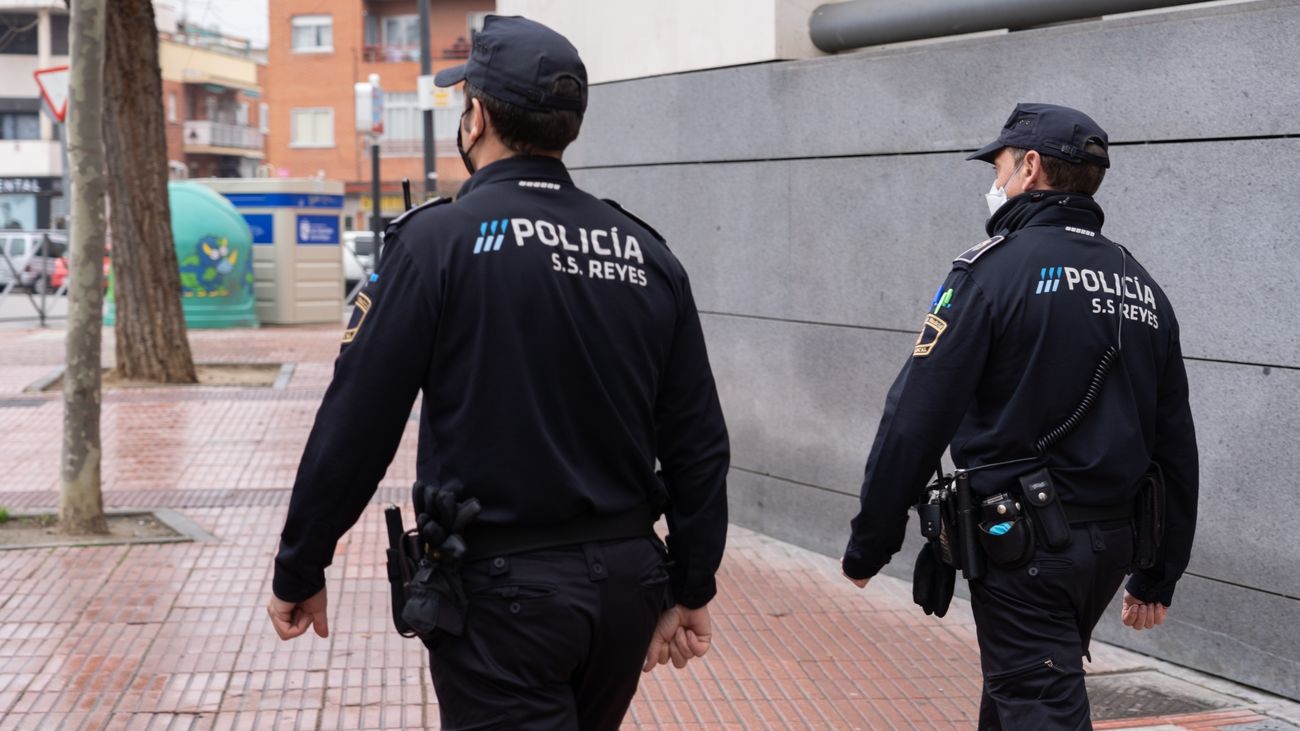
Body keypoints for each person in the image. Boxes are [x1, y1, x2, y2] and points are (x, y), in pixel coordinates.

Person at [265, 15, 730, 731]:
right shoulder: (646, 253)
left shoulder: (436, 242)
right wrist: (691, 581)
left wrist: (301, 563)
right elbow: (698, 441)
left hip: (502, 598)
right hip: (628, 587)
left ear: (476, 117)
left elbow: (357, 420)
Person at [840, 103, 1198, 729]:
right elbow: (1175, 443)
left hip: (1025, 547)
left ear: (1030, 168)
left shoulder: (989, 272)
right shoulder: (1142, 286)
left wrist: (871, 541)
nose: (995, 180)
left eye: (1000, 165)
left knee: (1038, 700)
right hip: (1111, 544)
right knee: (1023, 688)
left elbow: (915, 416)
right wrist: (1159, 571)